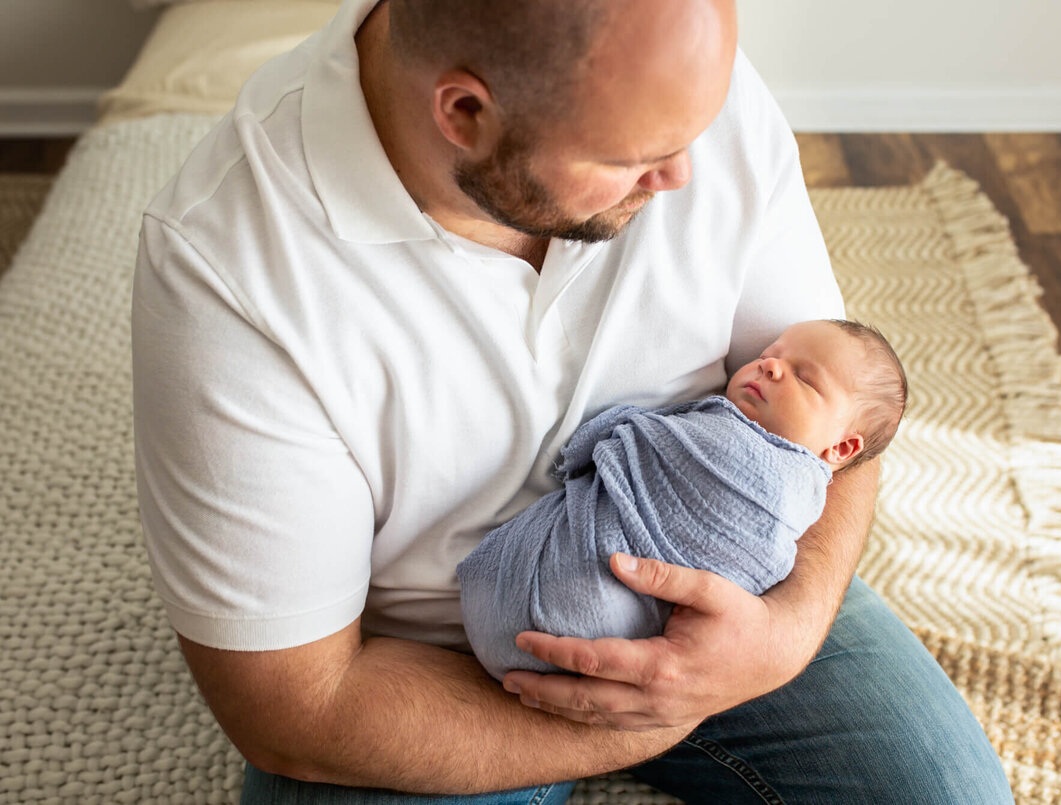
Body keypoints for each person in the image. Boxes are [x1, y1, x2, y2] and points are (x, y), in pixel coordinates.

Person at [130, 0, 1014, 802]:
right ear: (465, 114)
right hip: (425, 663)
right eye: (631, 158)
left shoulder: (678, 93)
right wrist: (658, 712)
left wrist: (779, 634)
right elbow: (298, 709)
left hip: (719, 560)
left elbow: (841, 420)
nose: (681, 175)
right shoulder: (229, 270)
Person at [459, 319, 907, 681]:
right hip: (489, 641)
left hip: (586, 620)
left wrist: (630, 435)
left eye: (804, 379)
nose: (769, 367)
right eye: (769, 355)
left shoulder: (784, 489)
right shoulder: (717, 426)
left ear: (841, 449)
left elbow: (756, 557)